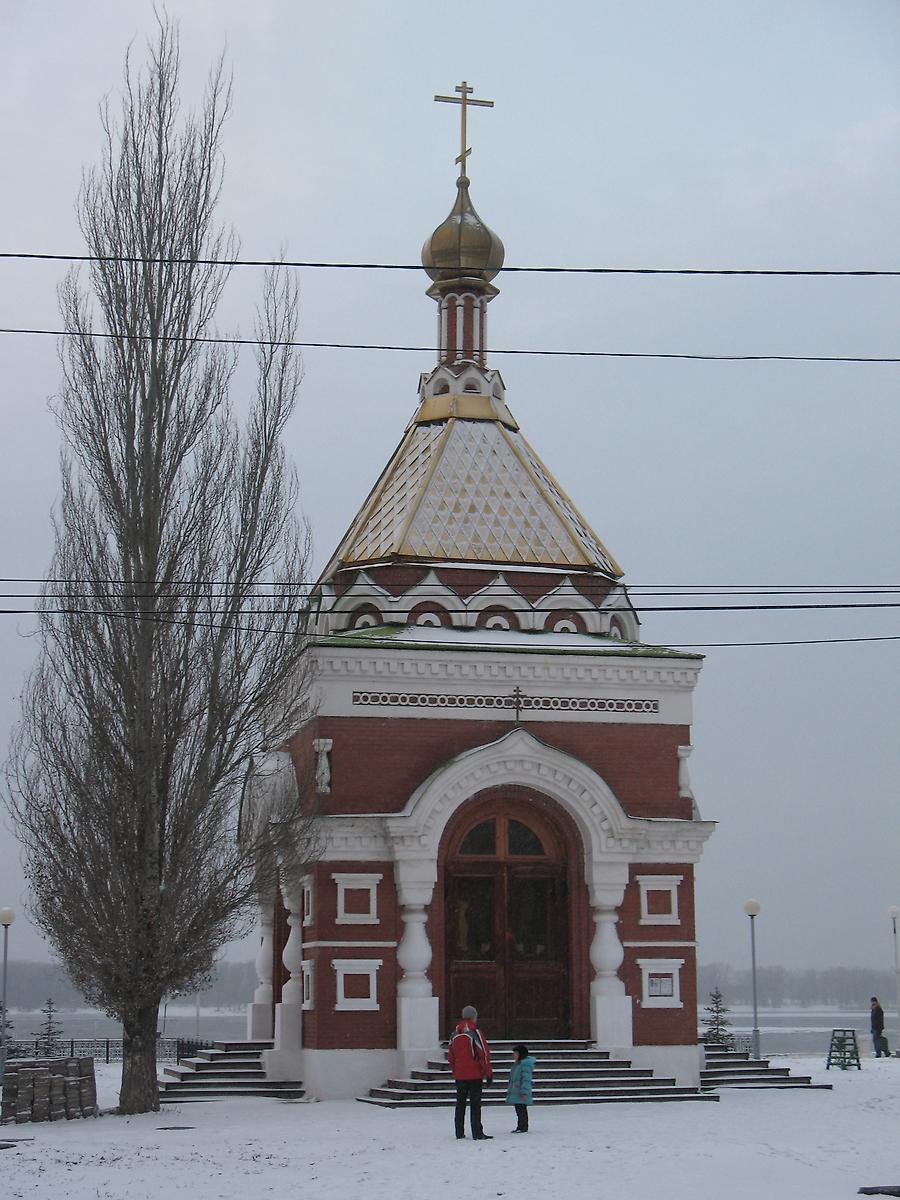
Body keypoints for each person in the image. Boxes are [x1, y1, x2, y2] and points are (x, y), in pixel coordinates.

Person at [448, 1005, 493, 1140]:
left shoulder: (455, 1033)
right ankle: (477, 1132)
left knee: (460, 1103)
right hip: (474, 1074)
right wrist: (488, 1073)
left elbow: (451, 1056)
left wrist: (455, 1071)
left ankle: (459, 1131)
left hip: (460, 1075)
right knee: (475, 1104)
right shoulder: (475, 1033)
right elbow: (484, 1054)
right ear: (474, 1017)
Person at [506, 1043, 535, 1133]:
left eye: (515, 1053)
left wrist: (524, 1092)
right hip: (516, 1090)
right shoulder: (517, 1065)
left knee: (521, 1110)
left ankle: (523, 1127)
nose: (513, 1055)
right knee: (519, 1109)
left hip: (520, 1091)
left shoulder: (524, 1065)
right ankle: (520, 1126)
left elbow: (526, 1080)